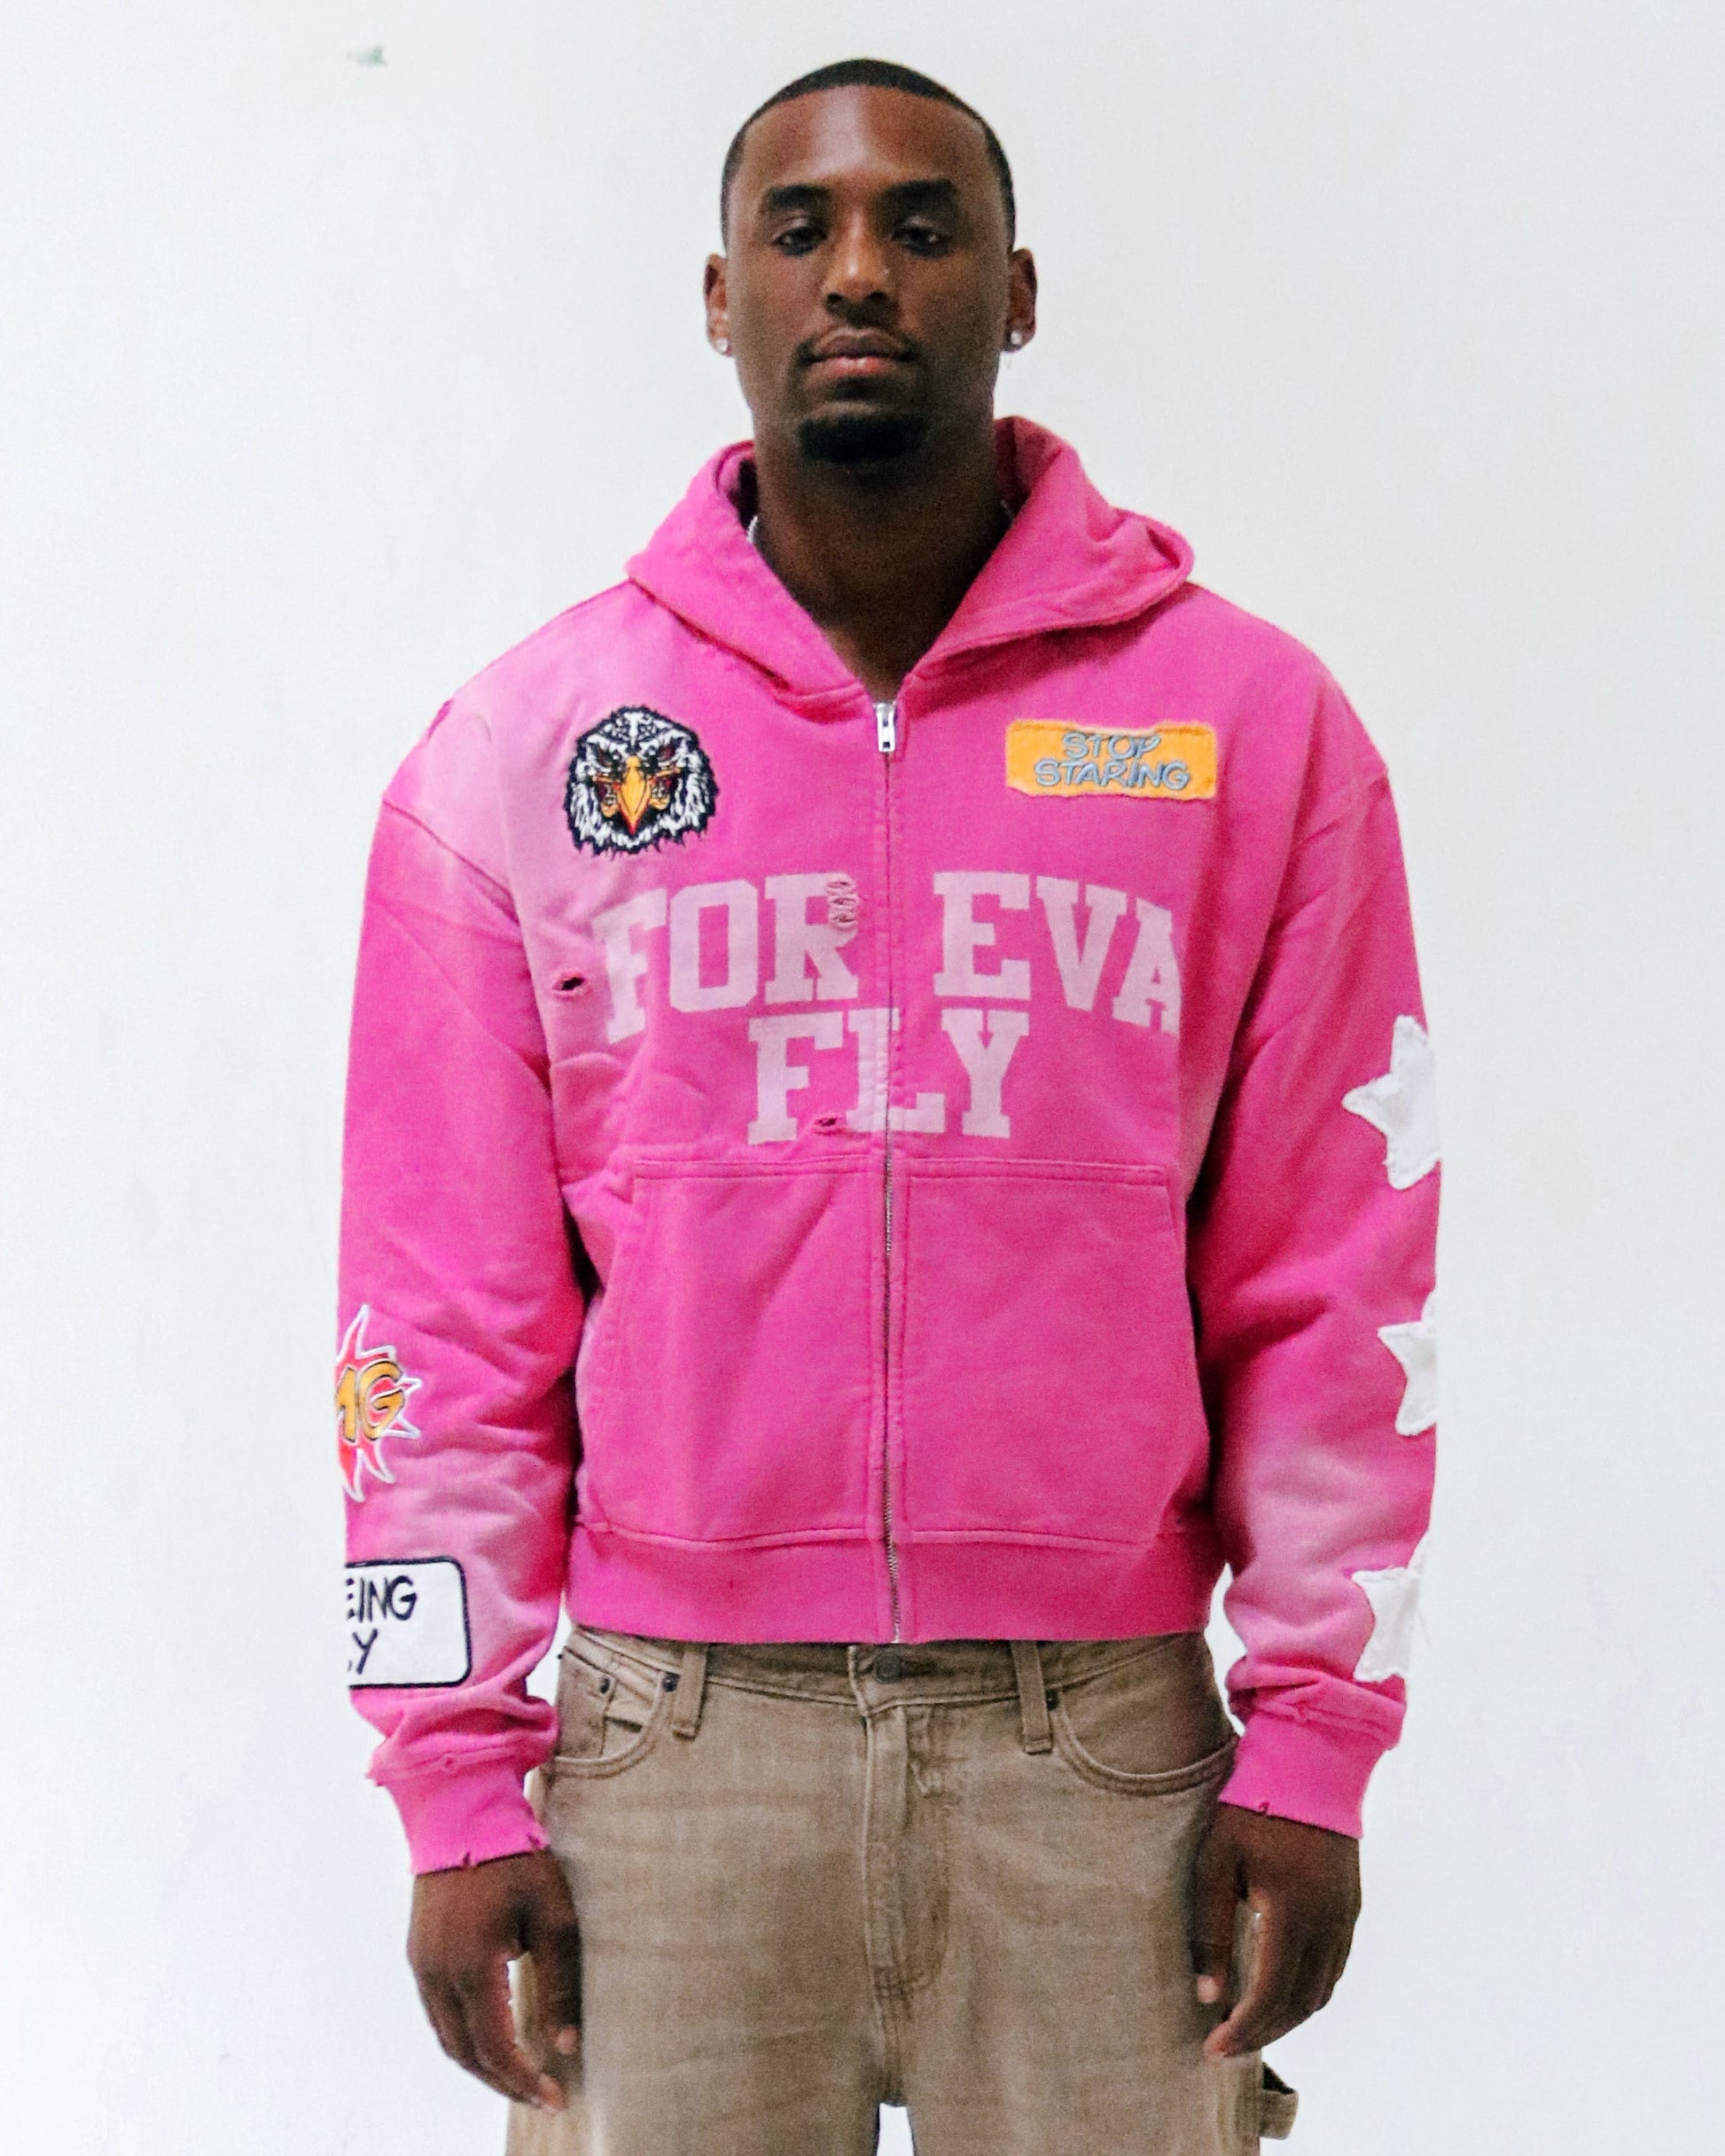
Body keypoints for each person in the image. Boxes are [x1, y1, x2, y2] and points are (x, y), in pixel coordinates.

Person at [337, 56, 1438, 2156]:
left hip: (1102, 1753)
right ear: (718, 295)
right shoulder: (522, 754)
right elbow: (435, 1314)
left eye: (923, 227)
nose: (860, 271)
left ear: (1014, 291)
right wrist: (453, 1774)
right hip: (668, 1756)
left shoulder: (1252, 733)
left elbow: (1332, 1269)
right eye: (802, 227)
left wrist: (1313, 1739)